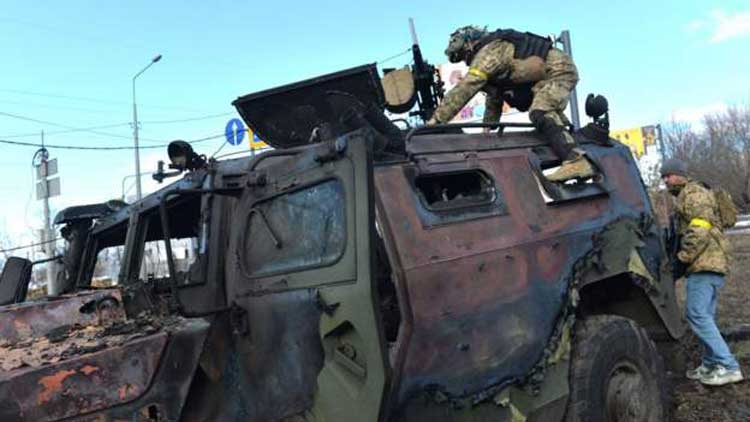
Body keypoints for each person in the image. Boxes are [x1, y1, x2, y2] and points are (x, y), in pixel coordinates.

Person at [426, 26, 594, 182]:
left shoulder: (490, 51)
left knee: (540, 111)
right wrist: (487, 129)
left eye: (464, 55)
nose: (465, 61)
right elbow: (495, 98)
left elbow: (466, 86)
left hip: (557, 71)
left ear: (469, 44)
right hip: (543, 79)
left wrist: (437, 120)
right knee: (545, 115)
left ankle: (576, 160)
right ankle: (573, 147)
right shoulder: (491, 57)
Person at [661, 158, 743, 386]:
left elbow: (700, 229)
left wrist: (682, 257)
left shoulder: (694, 194)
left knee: (696, 314)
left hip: (706, 263)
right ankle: (711, 364)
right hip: (707, 263)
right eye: (663, 177)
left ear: (680, 174)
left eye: (668, 175)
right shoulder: (686, 195)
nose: (665, 180)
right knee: (704, 316)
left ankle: (728, 366)